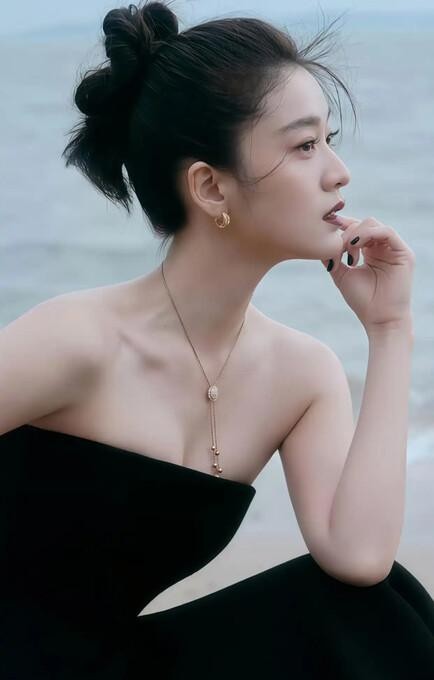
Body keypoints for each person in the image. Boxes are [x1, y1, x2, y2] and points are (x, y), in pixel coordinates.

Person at [1, 1, 433, 677]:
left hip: (108, 663)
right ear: (209, 186)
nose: (338, 171)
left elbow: (359, 558)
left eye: (330, 139)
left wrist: (390, 330)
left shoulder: (301, 375)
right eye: (304, 145)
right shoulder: (77, 340)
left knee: (376, 610)